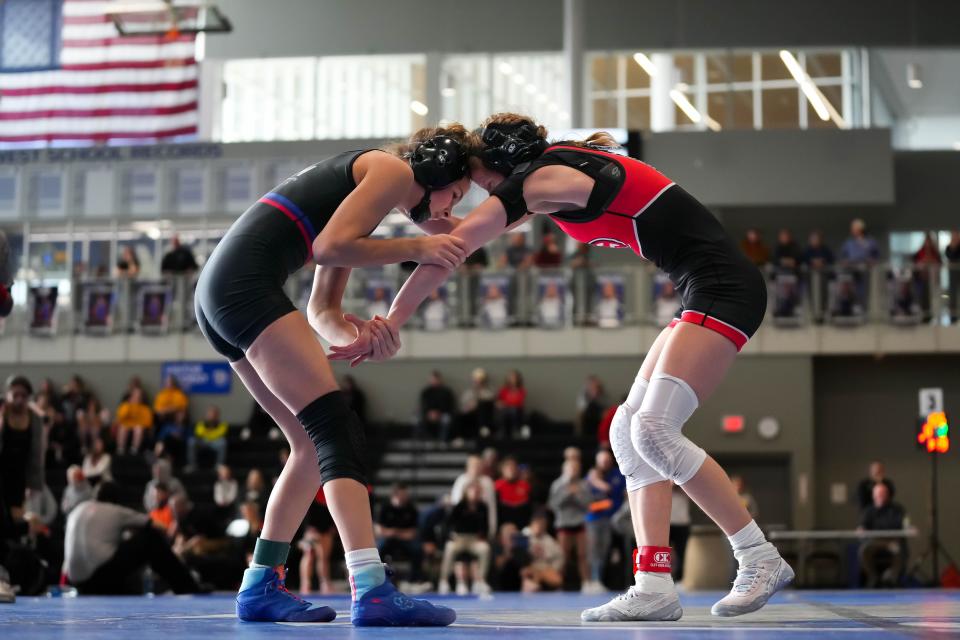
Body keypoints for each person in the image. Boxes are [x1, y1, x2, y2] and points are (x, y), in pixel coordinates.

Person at [339, 113, 793, 621]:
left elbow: (453, 248)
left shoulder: (541, 180)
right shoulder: (549, 179)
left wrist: (391, 320)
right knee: (627, 430)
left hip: (723, 289)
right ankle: (654, 583)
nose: (477, 191)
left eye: (478, 179)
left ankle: (758, 556)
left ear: (500, 166)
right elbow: (456, 237)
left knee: (654, 429)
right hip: (704, 289)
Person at [192, 125, 477, 625]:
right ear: (435, 170)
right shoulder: (392, 170)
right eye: (453, 195)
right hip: (241, 287)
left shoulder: (366, 196)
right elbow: (328, 248)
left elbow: (322, 308)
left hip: (221, 293)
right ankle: (371, 587)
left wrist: (359, 335)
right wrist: (418, 248)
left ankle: (260, 583)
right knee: (336, 429)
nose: (447, 211)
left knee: (308, 445)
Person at [64, 481, 203, 595]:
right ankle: (188, 588)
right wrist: (172, 532)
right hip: (98, 577)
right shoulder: (115, 510)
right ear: (115, 499)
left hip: (77, 581)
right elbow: (155, 525)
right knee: (150, 538)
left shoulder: (77, 510)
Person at [0, 376, 45, 517]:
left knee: (16, 514)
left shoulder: (34, 419)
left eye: (23, 396)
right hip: (2, 470)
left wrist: (34, 483)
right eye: (15, 395)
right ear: (7, 395)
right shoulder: (2, 414)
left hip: (19, 474)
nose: (19, 399)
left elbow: (36, 452)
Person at [582, 449, 626, 594]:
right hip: (593, 520)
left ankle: (599, 580)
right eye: (602, 461)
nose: (604, 463)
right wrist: (593, 481)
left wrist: (597, 482)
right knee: (593, 551)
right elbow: (586, 501)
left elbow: (612, 491)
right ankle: (591, 581)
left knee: (605, 551)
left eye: (607, 460)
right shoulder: (588, 479)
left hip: (611, 520)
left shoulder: (615, 475)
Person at [439, 482, 492, 596]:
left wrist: (483, 537)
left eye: (477, 491)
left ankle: (480, 580)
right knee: (449, 548)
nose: (475, 494)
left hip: (474, 539)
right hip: (459, 538)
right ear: (466, 492)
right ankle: (444, 580)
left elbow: (486, 526)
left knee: (485, 549)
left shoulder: (483, 507)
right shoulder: (459, 506)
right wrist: (449, 536)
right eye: (472, 491)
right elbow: (447, 524)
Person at [548, 456, 591, 589]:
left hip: (579, 523)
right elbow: (553, 504)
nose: (574, 470)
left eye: (576, 468)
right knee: (563, 557)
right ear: (565, 469)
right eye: (571, 468)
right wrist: (567, 494)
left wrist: (577, 495)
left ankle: (586, 583)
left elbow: (588, 504)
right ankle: (559, 584)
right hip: (563, 524)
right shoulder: (557, 484)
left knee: (582, 555)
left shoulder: (583, 484)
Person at [858, 483, 907, 588]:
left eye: (883, 493)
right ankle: (873, 577)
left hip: (891, 542)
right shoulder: (868, 511)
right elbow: (863, 527)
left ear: (887, 495)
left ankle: (891, 578)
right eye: (878, 494)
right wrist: (861, 530)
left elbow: (904, 524)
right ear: (873, 495)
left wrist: (909, 528)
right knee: (864, 550)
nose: (880, 496)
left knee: (898, 550)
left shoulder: (896, 509)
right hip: (874, 542)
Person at [375, 483, 423, 584]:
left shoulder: (411, 509)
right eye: (401, 495)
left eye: (405, 495)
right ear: (394, 495)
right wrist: (393, 533)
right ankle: (379, 578)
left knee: (418, 550)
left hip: (404, 540)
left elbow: (413, 533)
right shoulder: (384, 508)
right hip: (388, 539)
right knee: (377, 550)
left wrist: (396, 532)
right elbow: (379, 530)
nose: (403, 498)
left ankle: (414, 580)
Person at [298, 486, 338, 596]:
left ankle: (324, 583)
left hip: (326, 527)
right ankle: (305, 583)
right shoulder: (310, 489)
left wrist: (331, 528)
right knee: (309, 554)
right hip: (311, 528)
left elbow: (332, 510)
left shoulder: (328, 489)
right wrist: (309, 530)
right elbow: (304, 511)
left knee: (324, 556)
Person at [450, 455, 497, 539]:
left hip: (479, 527)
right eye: (473, 466)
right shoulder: (461, 480)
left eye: (479, 465)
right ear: (468, 467)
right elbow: (456, 506)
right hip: (462, 528)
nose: (476, 468)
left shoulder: (487, 482)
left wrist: (492, 530)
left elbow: (491, 507)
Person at [521, 510, 564, 592]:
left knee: (557, 580)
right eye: (538, 522)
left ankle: (537, 585)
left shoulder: (550, 540)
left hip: (545, 568)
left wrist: (553, 569)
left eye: (542, 523)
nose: (540, 526)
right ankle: (530, 587)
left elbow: (559, 557)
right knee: (528, 572)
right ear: (532, 523)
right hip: (530, 567)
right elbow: (519, 555)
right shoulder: (524, 536)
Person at [494, 457, 532, 530]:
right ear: (502, 470)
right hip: (503, 525)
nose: (511, 470)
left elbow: (528, 507)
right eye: (508, 468)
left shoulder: (525, 486)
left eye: (513, 467)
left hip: (522, 525)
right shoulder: (497, 486)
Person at [418, 371, 457, 442]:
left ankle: (442, 441)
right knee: (418, 419)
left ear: (440, 380)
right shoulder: (426, 392)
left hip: (443, 413)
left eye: (436, 380)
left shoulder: (447, 392)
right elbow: (423, 405)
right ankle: (426, 440)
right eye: (432, 379)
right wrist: (429, 413)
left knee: (446, 419)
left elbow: (450, 406)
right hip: (429, 414)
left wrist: (439, 413)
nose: (434, 381)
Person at [114, 386, 153, 455]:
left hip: (139, 427)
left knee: (138, 429)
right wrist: (129, 406)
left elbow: (148, 423)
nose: (136, 398)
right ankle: (120, 449)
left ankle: (134, 450)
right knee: (123, 428)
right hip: (127, 425)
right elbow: (120, 417)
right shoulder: (125, 406)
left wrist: (137, 424)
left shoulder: (145, 409)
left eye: (138, 396)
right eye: (135, 395)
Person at [459, 368, 496, 439]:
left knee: (482, 406)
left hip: (483, 416)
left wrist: (477, 403)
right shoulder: (468, 392)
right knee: (460, 416)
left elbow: (490, 401)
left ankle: (483, 430)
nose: (477, 383)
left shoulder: (488, 391)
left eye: (479, 381)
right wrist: (468, 407)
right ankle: (460, 437)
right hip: (470, 414)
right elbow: (463, 405)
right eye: (475, 381)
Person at [669, 484, 692, 583]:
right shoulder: (664, 483)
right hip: (667, 523)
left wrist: (679, 485)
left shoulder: (685, 484)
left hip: (683, 523)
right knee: (664, 554)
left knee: (681, 553)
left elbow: (693, 494)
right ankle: (665, 580)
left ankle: (679, 580)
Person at [496, 370, 527, 439]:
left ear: (518, 379)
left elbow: (518, 401)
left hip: (517, 409)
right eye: (510, 377)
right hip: (505, 409)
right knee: (502, 411)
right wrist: (500, 404)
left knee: (513, 410)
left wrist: (506, 403)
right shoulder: (504, 390)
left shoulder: (521, 390)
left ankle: (515, 431)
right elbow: (499, 400)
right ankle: (502, 431)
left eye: (514, 378)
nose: (512, 379)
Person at [946, 230, 960, 323]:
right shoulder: (949, 247)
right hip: (953, 275)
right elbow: (950, 255)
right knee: (953, 294)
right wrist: (953, 247)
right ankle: (953, 317)